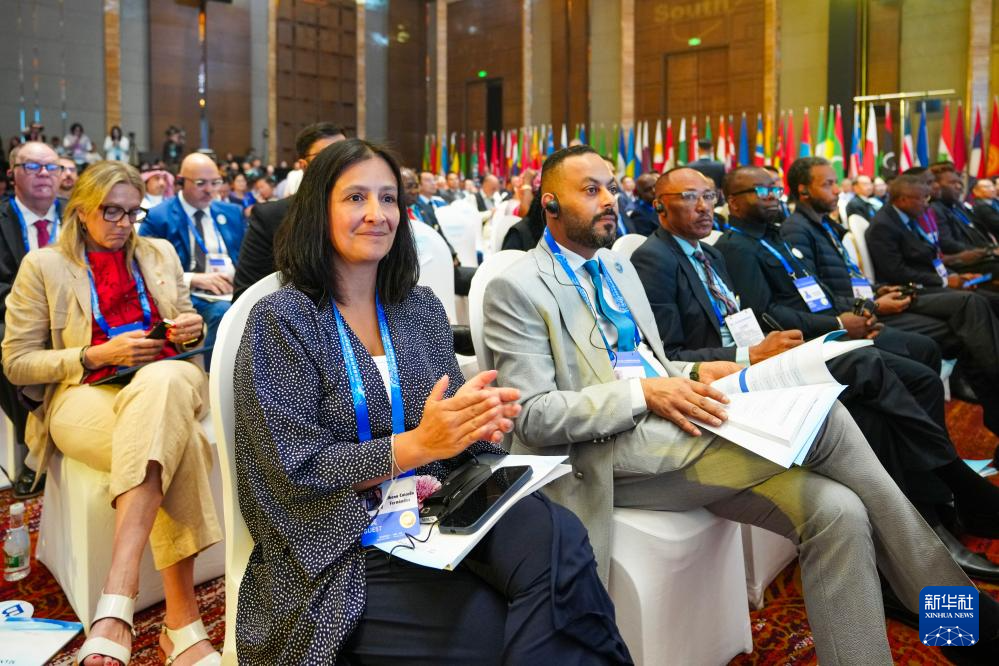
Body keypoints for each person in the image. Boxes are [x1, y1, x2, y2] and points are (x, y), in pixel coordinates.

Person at [483, 146, 999, 665]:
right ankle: (959, 618)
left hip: (677, 420)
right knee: (826, 418)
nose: (609, 200)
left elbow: (649, 361)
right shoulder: (517, 285)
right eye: (591, 190)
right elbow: (533, 415)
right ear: (550, 203)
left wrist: (696, 372)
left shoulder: (615, 265)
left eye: (611, 188)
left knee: (837, 510)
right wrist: (645, 394)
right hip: (604, 453)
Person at [233, 138, 630, 664]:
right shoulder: (282, 320)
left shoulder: (417, 307)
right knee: (506, 629)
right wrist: (418, 445)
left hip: (436, 505)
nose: (377, 214)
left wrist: (474, 424)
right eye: (355, 198)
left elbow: (447, 431)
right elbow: (295, 470)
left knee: (560, 538)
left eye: (388, 198)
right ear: (317, 211)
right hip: (336, 543)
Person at [631, 167, 999, 570]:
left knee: (909, 384)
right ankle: (954, 485)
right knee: (862, 363)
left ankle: (933, 513)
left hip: (757, 357)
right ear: (659, 206)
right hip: (724, 379)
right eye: (689, 197)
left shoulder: (710, 253)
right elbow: (670, 353)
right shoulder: (653, 259)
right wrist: (748, 354)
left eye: (707, 196)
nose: (703, 207)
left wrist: (767, 346)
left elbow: (746, 318)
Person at [2, 161, 221, 665]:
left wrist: (192, 327)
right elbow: (16, 362)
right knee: (177, 441)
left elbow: (184, 320)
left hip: (170, 376)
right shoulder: (44, 265)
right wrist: (95, 354)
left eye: (133, 212)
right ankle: (182, 626)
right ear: (81, 210)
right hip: (83, 389)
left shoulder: (159, 252)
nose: (124, 223)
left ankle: (115, 599)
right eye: (112, 212)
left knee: (163, 383)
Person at [782, 158, 999, 444]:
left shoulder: (824, 225)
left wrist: (878, 290)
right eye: (828, 184)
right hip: (859, 313)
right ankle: (938, 449)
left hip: (871, 299)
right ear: (803, 190)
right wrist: (873, 303)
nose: (837, 190)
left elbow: (847, 281)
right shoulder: (797, 230)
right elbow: (821, 298)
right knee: (968, 310)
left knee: (970, 318)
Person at [1, 141, 64, 499]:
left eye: (51, 167)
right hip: (15, 313)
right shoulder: (3, 220)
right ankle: (32, 451)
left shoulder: (80, 215)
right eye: (32, 166)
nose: (43, 174)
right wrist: (32, 310)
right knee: (12, 348)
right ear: (13, 173)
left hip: (76, 311)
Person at [140, 153, 245, 365]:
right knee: (222, 312)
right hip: (189, 293)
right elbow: (146, 267)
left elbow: (246, 256)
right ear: (181, 182)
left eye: (215, 182)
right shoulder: (159, 217)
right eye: (200, 183)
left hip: (230, 287)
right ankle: (213, 374)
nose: (209, 190)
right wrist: (193, 279)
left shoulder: (232, 212)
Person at [232, 122, 346, 301]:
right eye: (327, 156)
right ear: (304, 165)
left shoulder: (366, 216)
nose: (340, 164)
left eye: (345, 155)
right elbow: (245, 296)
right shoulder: (271, 217)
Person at [866, 174, 999, 315]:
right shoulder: (883, 225)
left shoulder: (906, 217)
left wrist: (956, 276)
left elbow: (928, 257)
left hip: (930, 278)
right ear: (903, 200)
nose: (927, 204)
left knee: (991, 297)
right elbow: (897, 272)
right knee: (978, 301)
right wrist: (944, 281)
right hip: (908, 289)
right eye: (923, 198)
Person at [408, 169, 477, 295]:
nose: (414, 190)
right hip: (418, 269)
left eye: (415, 186)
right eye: (409, 186)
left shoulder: (425, 208)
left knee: (479, 277)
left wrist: (452, 255)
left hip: (439, 262)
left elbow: (440, 235)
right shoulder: (397, 215)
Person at [929, 162, 998, 274]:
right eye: (952, 183)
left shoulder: (958, 206)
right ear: (936, 186)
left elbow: (977, 232)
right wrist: (986, 251)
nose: (959, 186)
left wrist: (991, 249)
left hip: (982, 255)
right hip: (961, 262)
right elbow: (947, 243)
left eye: (959, 182)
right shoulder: (935, 209)